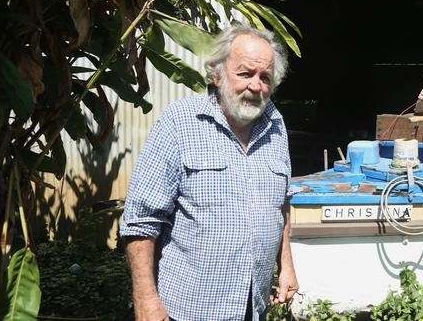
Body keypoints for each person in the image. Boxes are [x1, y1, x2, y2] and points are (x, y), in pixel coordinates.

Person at [120, 24, 298, 321]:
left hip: (253, 308)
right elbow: (141, 221)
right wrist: (145, 298)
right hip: (190, 310)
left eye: (265, 77)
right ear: (216, 74)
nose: (256, 86)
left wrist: (287, 265)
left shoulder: (276, 127)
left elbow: (281, 203)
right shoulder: (180, 123)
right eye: (245, 73)